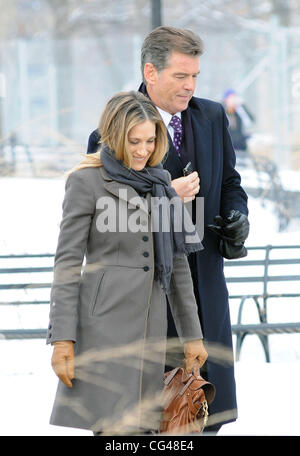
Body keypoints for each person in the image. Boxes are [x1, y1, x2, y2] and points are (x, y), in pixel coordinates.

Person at [86, 26, 250, 434]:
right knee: (151, 425)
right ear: (150, 72)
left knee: (207, 417)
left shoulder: (211, 116)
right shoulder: (110, 132)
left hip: (207, 295)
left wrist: (237, 216)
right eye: (181, 76)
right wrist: (164, 200)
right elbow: (103, 222)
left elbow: (230, 183)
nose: (190, 86)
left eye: (195, 76)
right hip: (146, 308)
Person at [46, 91, 208, 435]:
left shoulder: (162, 183)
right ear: (115, 136)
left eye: (150, 140)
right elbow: (67, 264)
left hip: (153, 331)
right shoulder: (85, 182)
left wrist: (192, 335)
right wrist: (62, 339)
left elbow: (178, 266)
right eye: (134, 141)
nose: (143, 150)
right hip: (104, 332)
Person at [222, 88, 255, 156]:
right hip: (226, 147)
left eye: (234, 98)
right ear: (225, 100)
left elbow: (250, 122)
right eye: (230, 98)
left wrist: (242, 106)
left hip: (241, 147)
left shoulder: (240, 111)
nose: (232, 101)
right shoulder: (221, 111)